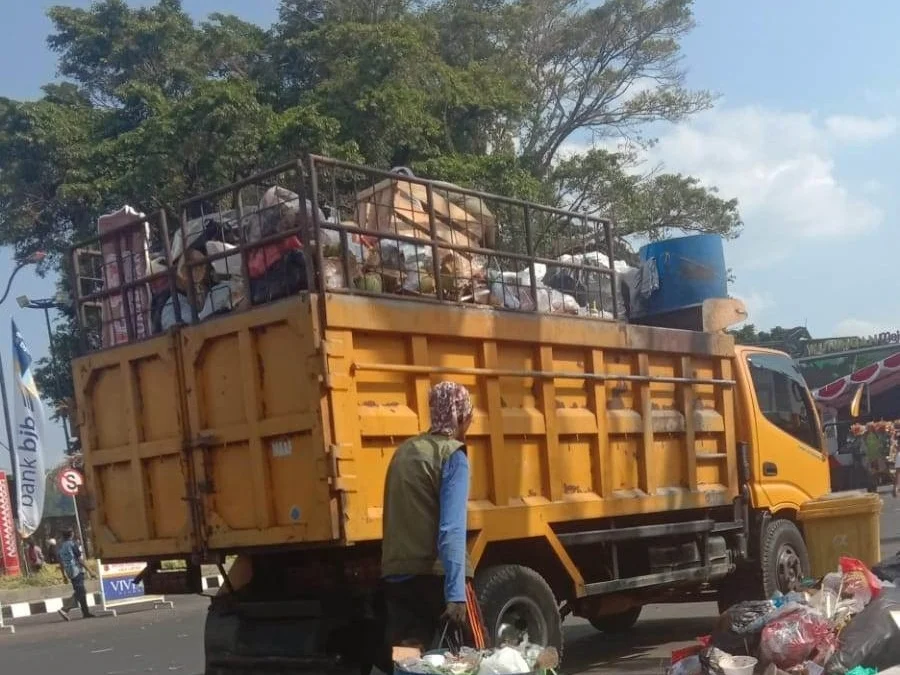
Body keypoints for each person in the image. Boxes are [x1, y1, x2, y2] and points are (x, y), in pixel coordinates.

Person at [381, 381, 474, 656]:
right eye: (468, 417)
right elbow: (451, 530)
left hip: (397, 577)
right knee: (468, 658)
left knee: (408, 658)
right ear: (460, 417)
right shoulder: (453, 456)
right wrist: (456, 595)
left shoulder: (404, 452)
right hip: (434, 578)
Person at [57, 529, 96, 620]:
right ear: (72, 534)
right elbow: (79, 559)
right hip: (76, 570)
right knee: (80, 592)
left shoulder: (61, 547)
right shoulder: (72, 544)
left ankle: (85, 612)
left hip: (69, 571)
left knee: (81, 591)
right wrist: (90, 571)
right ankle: (65, 609)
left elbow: (61, 563)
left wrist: (64, 575)